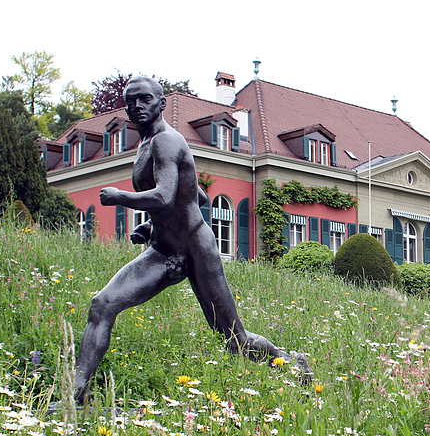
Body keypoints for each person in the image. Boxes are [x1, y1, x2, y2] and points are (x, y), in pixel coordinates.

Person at [72, 75, 309, 403]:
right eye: (130, 101)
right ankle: (76, 397)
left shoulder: (167, 142)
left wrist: (119, 197)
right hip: (163, 250)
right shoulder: (144, 146)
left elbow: (167, 196)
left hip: (198, 252)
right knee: (102, 305)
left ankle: (293, 364)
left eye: (145, 99)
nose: (137, 106)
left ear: (161, 103)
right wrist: (154, 228)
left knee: (234, 340)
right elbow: (196, 195)